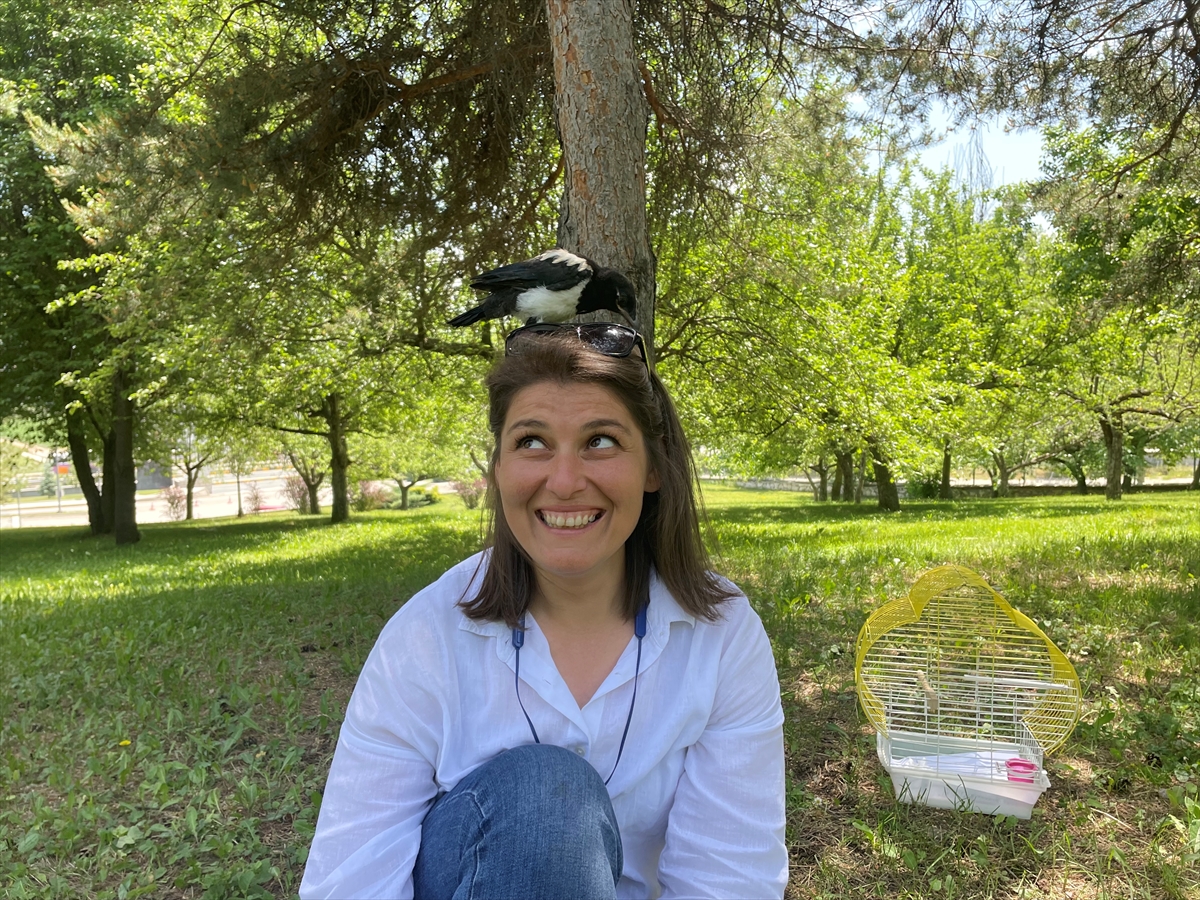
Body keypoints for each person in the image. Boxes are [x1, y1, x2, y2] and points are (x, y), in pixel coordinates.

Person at [299, 322, 787, 900]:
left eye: (600, 441)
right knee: (546, 795)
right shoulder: (427, 633)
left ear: (653, 467)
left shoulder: (722, 633)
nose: (564, 481)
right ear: (499, 469)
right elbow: (353, 876)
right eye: (532, 442)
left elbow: (731, 878)